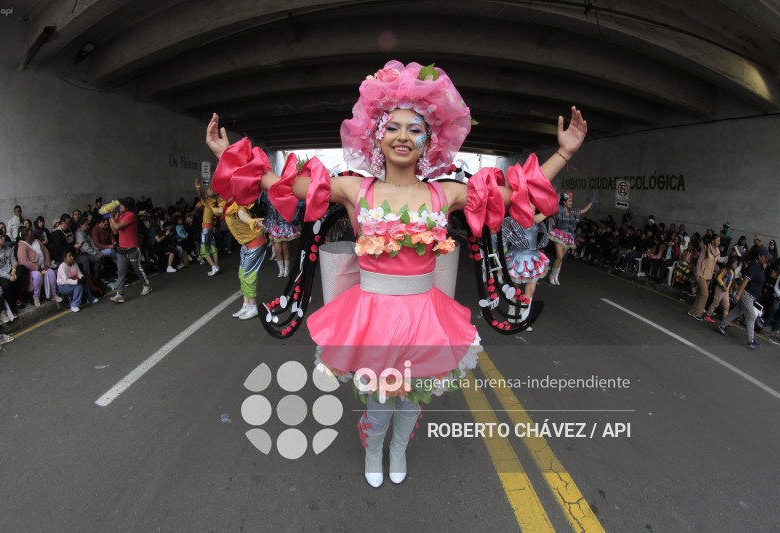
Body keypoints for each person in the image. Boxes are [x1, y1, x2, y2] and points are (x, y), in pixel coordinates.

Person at [205, 60, 587, 487]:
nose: (403, 136)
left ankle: (399, 448)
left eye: (415, 129)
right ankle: (374, 448)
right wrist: (227, 154)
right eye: (393, 127)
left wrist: (564, 152)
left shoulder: (448, 192)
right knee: (381, 397)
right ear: (377, 135)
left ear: (429, 141)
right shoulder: (355, 188)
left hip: (425, 312)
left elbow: (516, 192)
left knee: (413, 398)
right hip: (372, 313)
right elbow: (280, 184)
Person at [716, 245, 773, 348]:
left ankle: (722, 326)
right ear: (759, 256)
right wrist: (738, 294)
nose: (766, 259)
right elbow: (745, 281)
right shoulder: (754, 266)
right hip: (746, 294)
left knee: (736, 312)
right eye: (765, 257)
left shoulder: (760, 266)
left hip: (751, 295)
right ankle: (750, 340)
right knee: (751, 316)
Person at [499, 212, 549, 323]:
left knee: (531, 290)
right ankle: (511, 312)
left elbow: (549, 210)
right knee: (514, 288)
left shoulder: (535, 218)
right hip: (517, 258)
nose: (532, 207)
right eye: (530, 203)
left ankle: (523, 317)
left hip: (533, 258)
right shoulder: (514, 220)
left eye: (534, 205)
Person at [223, 201, 267, 320]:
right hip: (245, 245)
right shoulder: (226, 206)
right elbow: (216, 210)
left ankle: (253, 308)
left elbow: (242, 215)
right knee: (242, 274)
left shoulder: (238, 205)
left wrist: (251, 221)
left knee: (248, 276)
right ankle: (246, 305)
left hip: (254, 243)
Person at [108, 196, 152, 303]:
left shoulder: (131, 215)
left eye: (122, 204)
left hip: (132, 248)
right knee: (121, 272)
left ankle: (147, 285)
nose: (120, 206)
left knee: (137, 269)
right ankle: (120, 294)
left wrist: (113, 218)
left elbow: (117, 226)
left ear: (128, 206)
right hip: (122, 249)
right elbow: (114, 231)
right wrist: (110, 217)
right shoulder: (120, 215)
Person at [547, 192, 593, 285]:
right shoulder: (559, 210)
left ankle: (556, 276)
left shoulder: (572, 211)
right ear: (564, 202)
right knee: (559, 256)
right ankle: (552, 275)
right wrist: (553, 197)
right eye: (569, 201)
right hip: (559, 234)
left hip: (568, 236)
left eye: (571, 201)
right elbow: (551, 208)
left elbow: (583, 210)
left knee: (561, 258)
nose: (571, 203)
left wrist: (591, 202)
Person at [16, 227, 61, 306]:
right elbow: (24, 261)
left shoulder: (37, 241)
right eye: (29, 235)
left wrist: (47, 264)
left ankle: (54, 294)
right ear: (25, 237)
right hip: (31, 269)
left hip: (43, 266)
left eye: (31, 234)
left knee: (51, 274)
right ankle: (36, 297)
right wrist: (37, 268)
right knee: (37, 276)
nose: (31, 237)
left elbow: (46, 252)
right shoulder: (22, 245)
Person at [0, 229, 25, 315]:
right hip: (2, 274)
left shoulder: (8, 248)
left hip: (11, 270)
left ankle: (18, 298)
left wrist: (13, 271)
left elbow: (14, 261)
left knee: (22, 269)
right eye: (0, 237)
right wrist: (9, 276)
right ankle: (13, 309)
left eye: (3, 236)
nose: (3, 239)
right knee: (6, 285)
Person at [194, 179, 224, 276]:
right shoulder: (216, 201)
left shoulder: (208, 201)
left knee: (204, 249)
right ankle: (216, 266)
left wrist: (197, 187)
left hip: (206, 227)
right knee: (212, 246)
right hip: (212, 227)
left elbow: (201, 195)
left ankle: (214, 267)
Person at [689, 235, 720, 320]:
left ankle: (692, 310)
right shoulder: (706, 249)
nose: (718, 242)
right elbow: (699, 261)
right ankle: (698, 313)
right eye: (717, 240)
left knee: (701, 294)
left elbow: (715, 264)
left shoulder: (717, 251)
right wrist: (697, 274)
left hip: (709, 275)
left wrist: (719, 271)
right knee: (705, 294)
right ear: (713, 241)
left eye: (719, 241)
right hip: (702, 274)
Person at [703, 255, 739, 323]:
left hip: (726, 291)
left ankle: (725, 320)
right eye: (735, 264)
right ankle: (708, 315)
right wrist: (723, 285)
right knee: (716, 303)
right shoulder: (726, 270)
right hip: (720, 289)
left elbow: (731, 281)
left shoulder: (732, 272)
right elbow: (719, 277)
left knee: (726, 305)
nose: (736, 266)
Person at [75, 216, 103, 281]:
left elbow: (92, 242)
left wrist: (97, 251)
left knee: (101, 256)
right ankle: (96, 279)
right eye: (86, 224)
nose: (88, 226)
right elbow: (85, 248)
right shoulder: (79, 234)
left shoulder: (86, 232)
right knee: (97, 259)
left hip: (90, 252)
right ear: (81, 225)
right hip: (84, 254)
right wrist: (95, 254)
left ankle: (100, 277)